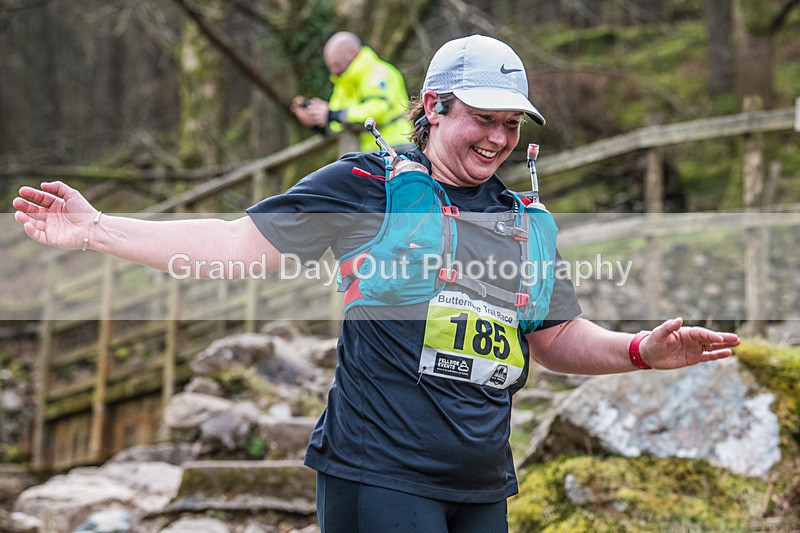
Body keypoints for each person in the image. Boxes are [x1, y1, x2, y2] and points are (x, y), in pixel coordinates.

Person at [14, 34, 739, 533]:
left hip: (482, 484)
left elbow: (553, 337)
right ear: (434, 106)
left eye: (512, 125)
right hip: (380, 474)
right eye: (483, 119)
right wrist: (98, 228)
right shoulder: (366, 184)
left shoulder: (522, 220)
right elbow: (236, 245)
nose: (498, 139)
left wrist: (640, 351)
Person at [291, 31, 413, 152]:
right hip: (368, 153)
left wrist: (334, 115)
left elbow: (379, 111)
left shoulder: (381, 72)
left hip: (398, 147)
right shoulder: (343, 83)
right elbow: (337, 124)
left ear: (352, 52)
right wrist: (317, 121)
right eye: (331, 66)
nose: (333, 71)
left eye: (337, 64)